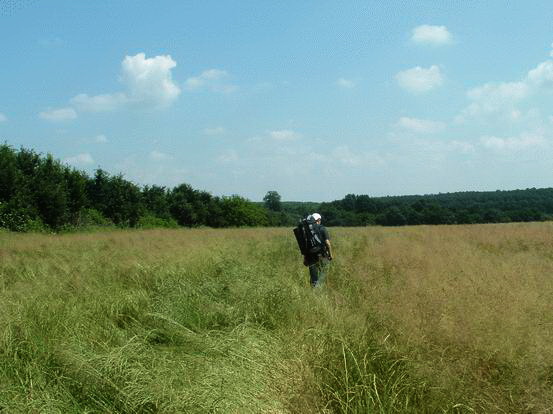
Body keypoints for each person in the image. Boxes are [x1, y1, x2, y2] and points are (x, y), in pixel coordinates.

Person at [303, 213, 333, 287]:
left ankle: (314, 289)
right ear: (319, 220)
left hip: (310, 257)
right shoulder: (322, 228)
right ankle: (318, 288)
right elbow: (328, 243)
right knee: (324, 271)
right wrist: (330, 254)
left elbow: (305, 245)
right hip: (322, 255)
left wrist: (305, 258)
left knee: (313, 276)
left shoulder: (306, 230)